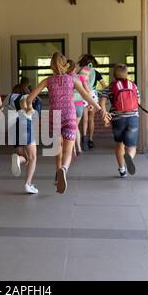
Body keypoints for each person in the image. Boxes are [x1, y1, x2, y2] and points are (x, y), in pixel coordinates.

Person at [27, 52, 108, 194]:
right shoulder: (73, 80)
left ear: (51, 66)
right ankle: (64, 169)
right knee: (67, 151)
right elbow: (86, 95)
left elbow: (29, 98)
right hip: (70, 115)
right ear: (65, 64)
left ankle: (57, 174)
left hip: (55, 116)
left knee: (57, 148)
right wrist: (100, 109)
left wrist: (30, 109)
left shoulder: (47, 81)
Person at [100, 63, 141, 178]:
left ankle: (122, 170)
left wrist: (105, 114)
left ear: (114, 74)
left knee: (119, 144)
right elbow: (138, 102)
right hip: (132, 118)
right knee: (132, 146)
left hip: (117, 119)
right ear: (126, 73)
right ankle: (130, 157)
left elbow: (102, 102)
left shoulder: (111, 86)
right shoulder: (133, 85)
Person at [5, 83, 40, 194]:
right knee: (32, 157)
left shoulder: (9, 97)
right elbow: (32, 114)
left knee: (24, 156)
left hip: (12, 128)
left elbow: (1, 110)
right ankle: (28, 184)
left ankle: (19, 159)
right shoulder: (29, 98)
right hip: (25, 126)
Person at [77, 54, 108, 151]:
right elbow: (104, 86)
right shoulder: (97, 73)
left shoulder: (80, 72)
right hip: (93, 95)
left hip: (82, 95)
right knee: (91, 119)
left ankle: (83, 138)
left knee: (84, 119)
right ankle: (90, 140)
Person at [67, 60, 91, 156]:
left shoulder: (66, 78)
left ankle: (73, 150)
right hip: (79, 105)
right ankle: (79, 148)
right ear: (75, 68)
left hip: (69, 106)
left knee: (71, 128)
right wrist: (90, 102)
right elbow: (87, 91)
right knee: (75, 127)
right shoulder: (80, 77)